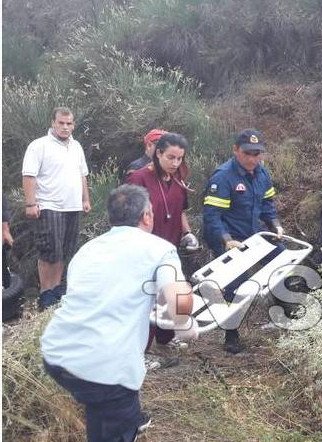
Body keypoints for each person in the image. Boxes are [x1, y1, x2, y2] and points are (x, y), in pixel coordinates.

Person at [40, 184, 195, 442]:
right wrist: (184, 323)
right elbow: (177, 293)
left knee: (100, 407)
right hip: (108, 367)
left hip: (58, 354)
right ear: (146, 215)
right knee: (118, 422)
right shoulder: (159, 249)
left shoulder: (88, 250)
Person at [202, 128, 283, 354]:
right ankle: (231, 334)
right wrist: (227, 240)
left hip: (253, 233)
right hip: (226, 236)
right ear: (236, 150)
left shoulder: (262, 174)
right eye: (248, 153)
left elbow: (268, 206)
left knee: (282, 258)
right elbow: (212, 217)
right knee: (235, 282)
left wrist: (275, 226)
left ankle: (284, 309)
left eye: (257, 154)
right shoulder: (223, 177)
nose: (252, 158)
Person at [127, 132, 199, 361]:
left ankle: (164, 341)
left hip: (170, 246)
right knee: (146, 297)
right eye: (170, 157)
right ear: (157, 153)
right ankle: (141, 350)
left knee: (168, 292)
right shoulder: (138, 179)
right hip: (144, 250)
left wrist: (187, 233)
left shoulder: (178, 178)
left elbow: (180, 211)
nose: (175, 163)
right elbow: (128, 219)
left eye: (179, 158)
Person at [22, 107, 91, 310]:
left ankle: (56, 290)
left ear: (73, 125)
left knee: (63, 250)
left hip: (72, 206)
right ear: (53, 122)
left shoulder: (76, 146)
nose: (65, 127)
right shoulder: (39, 146)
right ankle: (45, 293)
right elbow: (28, 176)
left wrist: (85, 199)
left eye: (69, 123)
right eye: (61, 123)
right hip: (49, 205)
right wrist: (30, 203)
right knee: (48, 250)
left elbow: (82, 175)